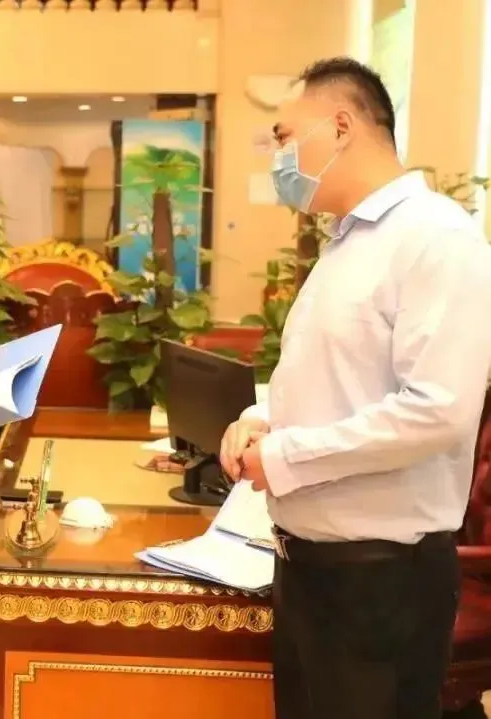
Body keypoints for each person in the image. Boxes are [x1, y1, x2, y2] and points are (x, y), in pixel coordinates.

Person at [219, 57, 491, 719]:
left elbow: (438, 411)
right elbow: (335, 380)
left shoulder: (436, 237)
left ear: (340, 127)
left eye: (285, 137)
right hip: (310, 569)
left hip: (379, 580)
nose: (278, 158)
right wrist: (260, 417)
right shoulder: (348, 243)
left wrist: (284, 457)